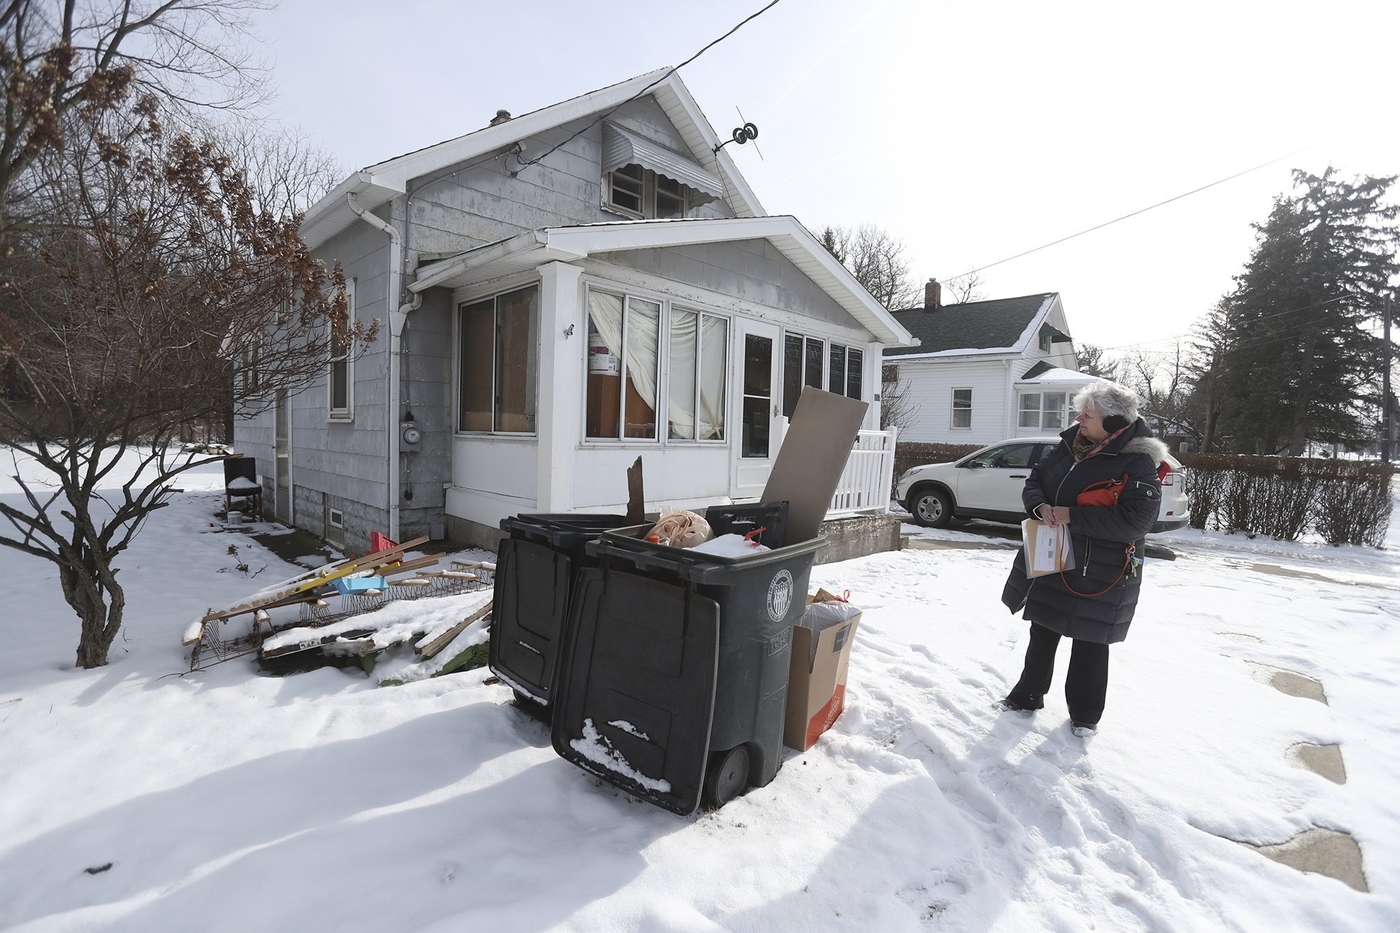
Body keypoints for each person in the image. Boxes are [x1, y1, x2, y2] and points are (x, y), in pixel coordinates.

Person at [999, 381, 1168, 736]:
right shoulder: (1069, 445)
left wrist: (1071, 515)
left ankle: (1085, 717)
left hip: (1102, 571)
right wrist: (1040, 505)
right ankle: (1027, 696)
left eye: (1088, 415)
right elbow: (1036, 480)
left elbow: (1136, 522)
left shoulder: (1138, 461)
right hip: (1054, 555)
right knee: (1042, 630)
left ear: (1113, 422)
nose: (1079, 420)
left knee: (1091, 642)